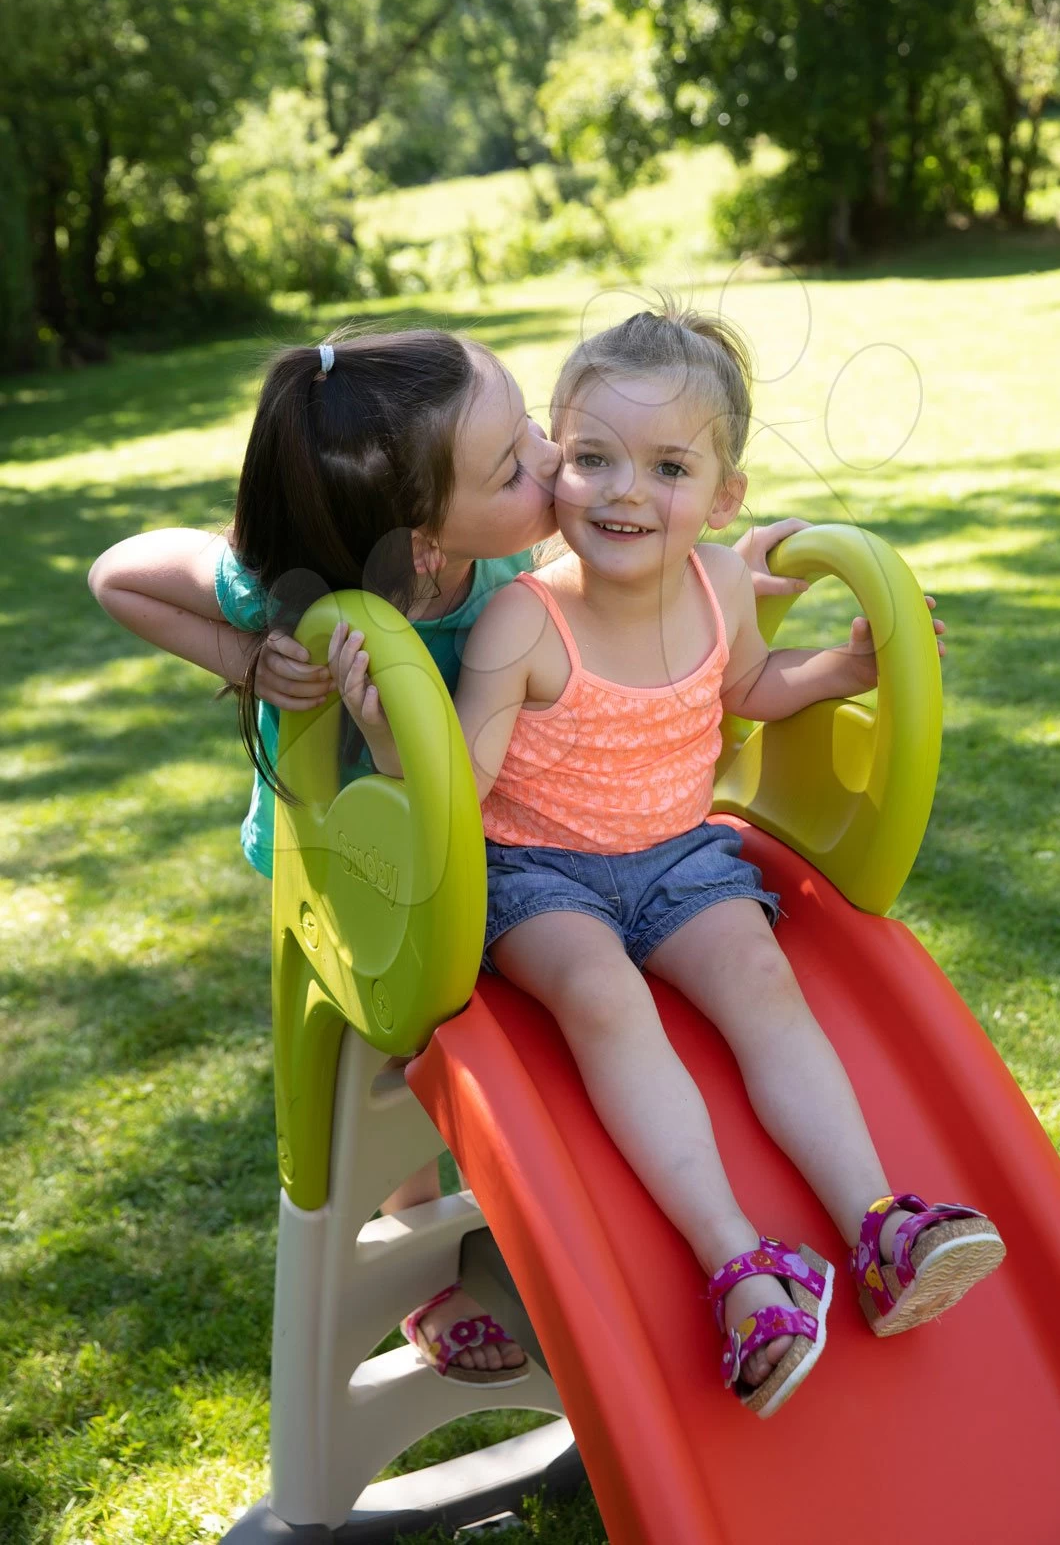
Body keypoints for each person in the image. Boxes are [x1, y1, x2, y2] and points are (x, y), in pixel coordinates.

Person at [88, 323, 813, 1387]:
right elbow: (118, 575)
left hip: (470, 846)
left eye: (527, 422)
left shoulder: (506, 560)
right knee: (384, 1062)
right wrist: (250, 656)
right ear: (429, 537)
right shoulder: (279, 584)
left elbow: (609, 575)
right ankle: (425, 1261)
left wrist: (718, 575)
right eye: (518, 459)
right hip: (353, 862)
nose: (548, 456)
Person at [332, 305, 1006, 1419]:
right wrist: (399, 734)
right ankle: (738, 1263)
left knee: (761, 977)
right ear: (554, 461)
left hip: (681, 858)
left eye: (667, 466)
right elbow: (465, 777)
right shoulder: (525, 625)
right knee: (602, 993)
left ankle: (878, 1223)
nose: (622, 491)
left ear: (723, 498)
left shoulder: (720, 588)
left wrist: (839, 669)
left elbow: (741, 688)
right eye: (591, 458)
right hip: (536, 873)